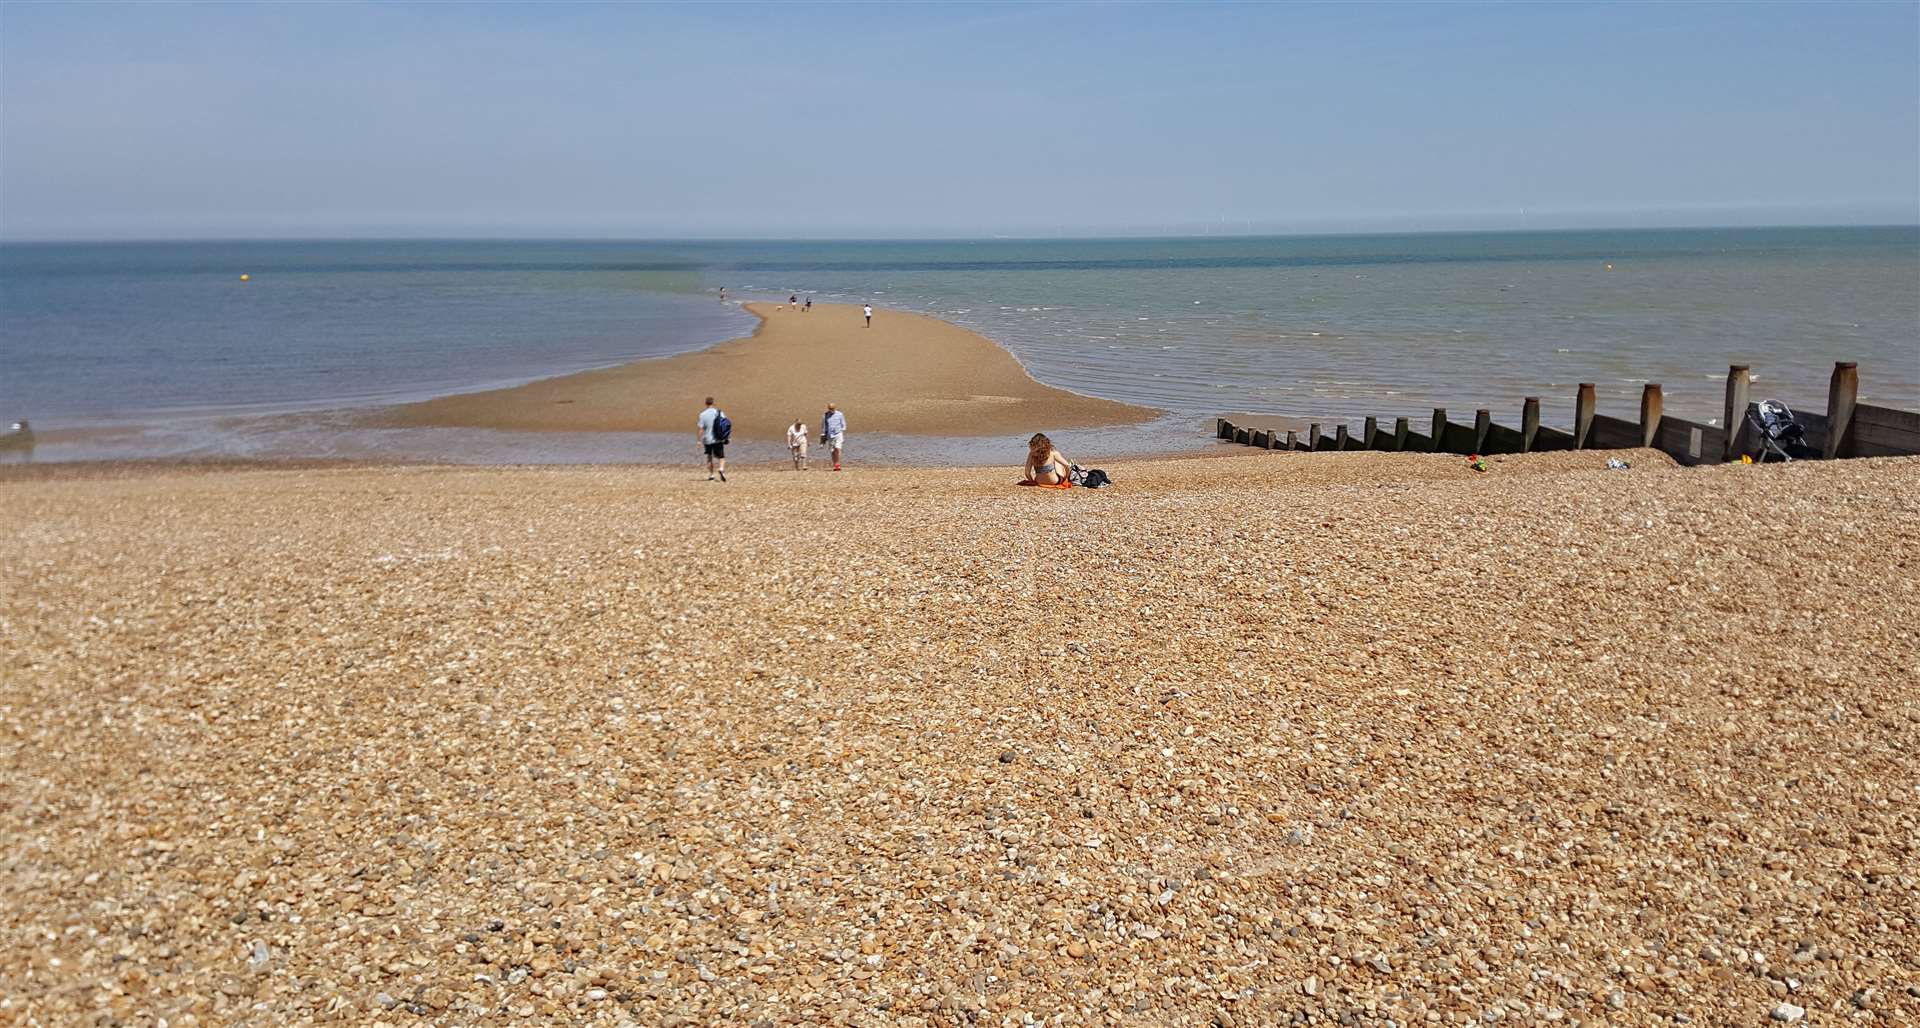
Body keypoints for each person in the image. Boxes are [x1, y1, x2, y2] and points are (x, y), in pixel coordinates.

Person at [697, 397, 727, 482]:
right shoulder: (719, 412)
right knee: (721, 457)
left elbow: (701, 429)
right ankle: (721, 469)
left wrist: (699, 440)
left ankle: (711, 475)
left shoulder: (702, 414)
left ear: (706, 403)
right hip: (718, 438)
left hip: (707, 439)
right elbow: (724, 425)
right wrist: (726, 436)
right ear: (713, 403)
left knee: (709, 457)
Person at [822, 402, 847, 471]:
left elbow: (843, 424)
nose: (831, 410)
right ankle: (835, 464)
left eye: (832, 408)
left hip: (838, 433)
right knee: (832, 450)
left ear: (835, 408)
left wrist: (841, 430)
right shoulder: (825, 415)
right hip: (830, 435)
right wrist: (823, 434)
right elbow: (824, 426)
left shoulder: (839, 414)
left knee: (837, 448)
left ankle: (838, 464)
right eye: (830, 408)